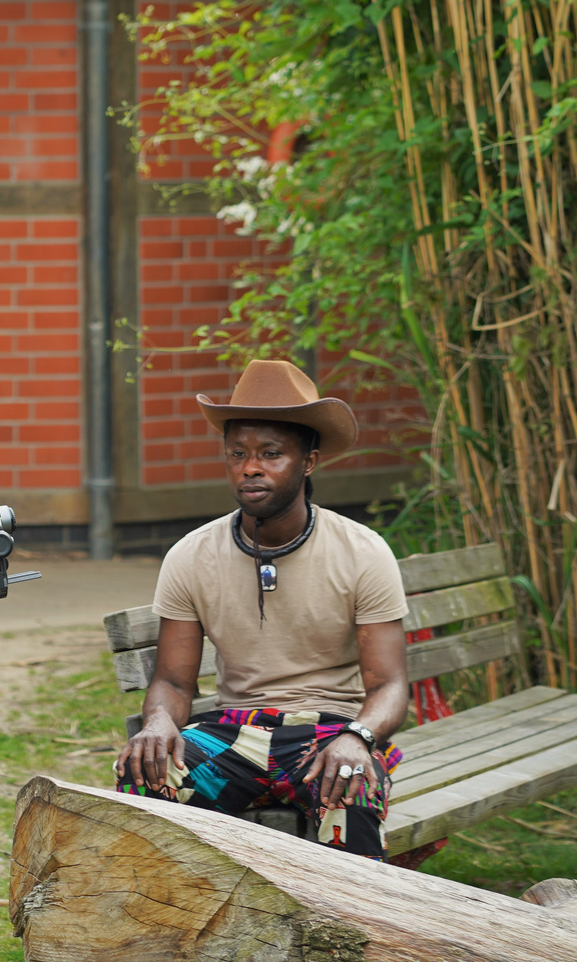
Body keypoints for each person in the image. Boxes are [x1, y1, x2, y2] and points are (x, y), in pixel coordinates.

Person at [114, 359, 410, 860]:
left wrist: (359, 737)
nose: (250, 467)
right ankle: (170, 926)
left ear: (308, 462)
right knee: (148, 772)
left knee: (351, 781)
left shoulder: (362, 551)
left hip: (329, 732)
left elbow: (389, 686)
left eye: (271, 454)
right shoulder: (192, 555)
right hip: (236, 732)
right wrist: (161, 720)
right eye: (238, 454)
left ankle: (350, 932)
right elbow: (173, 681)